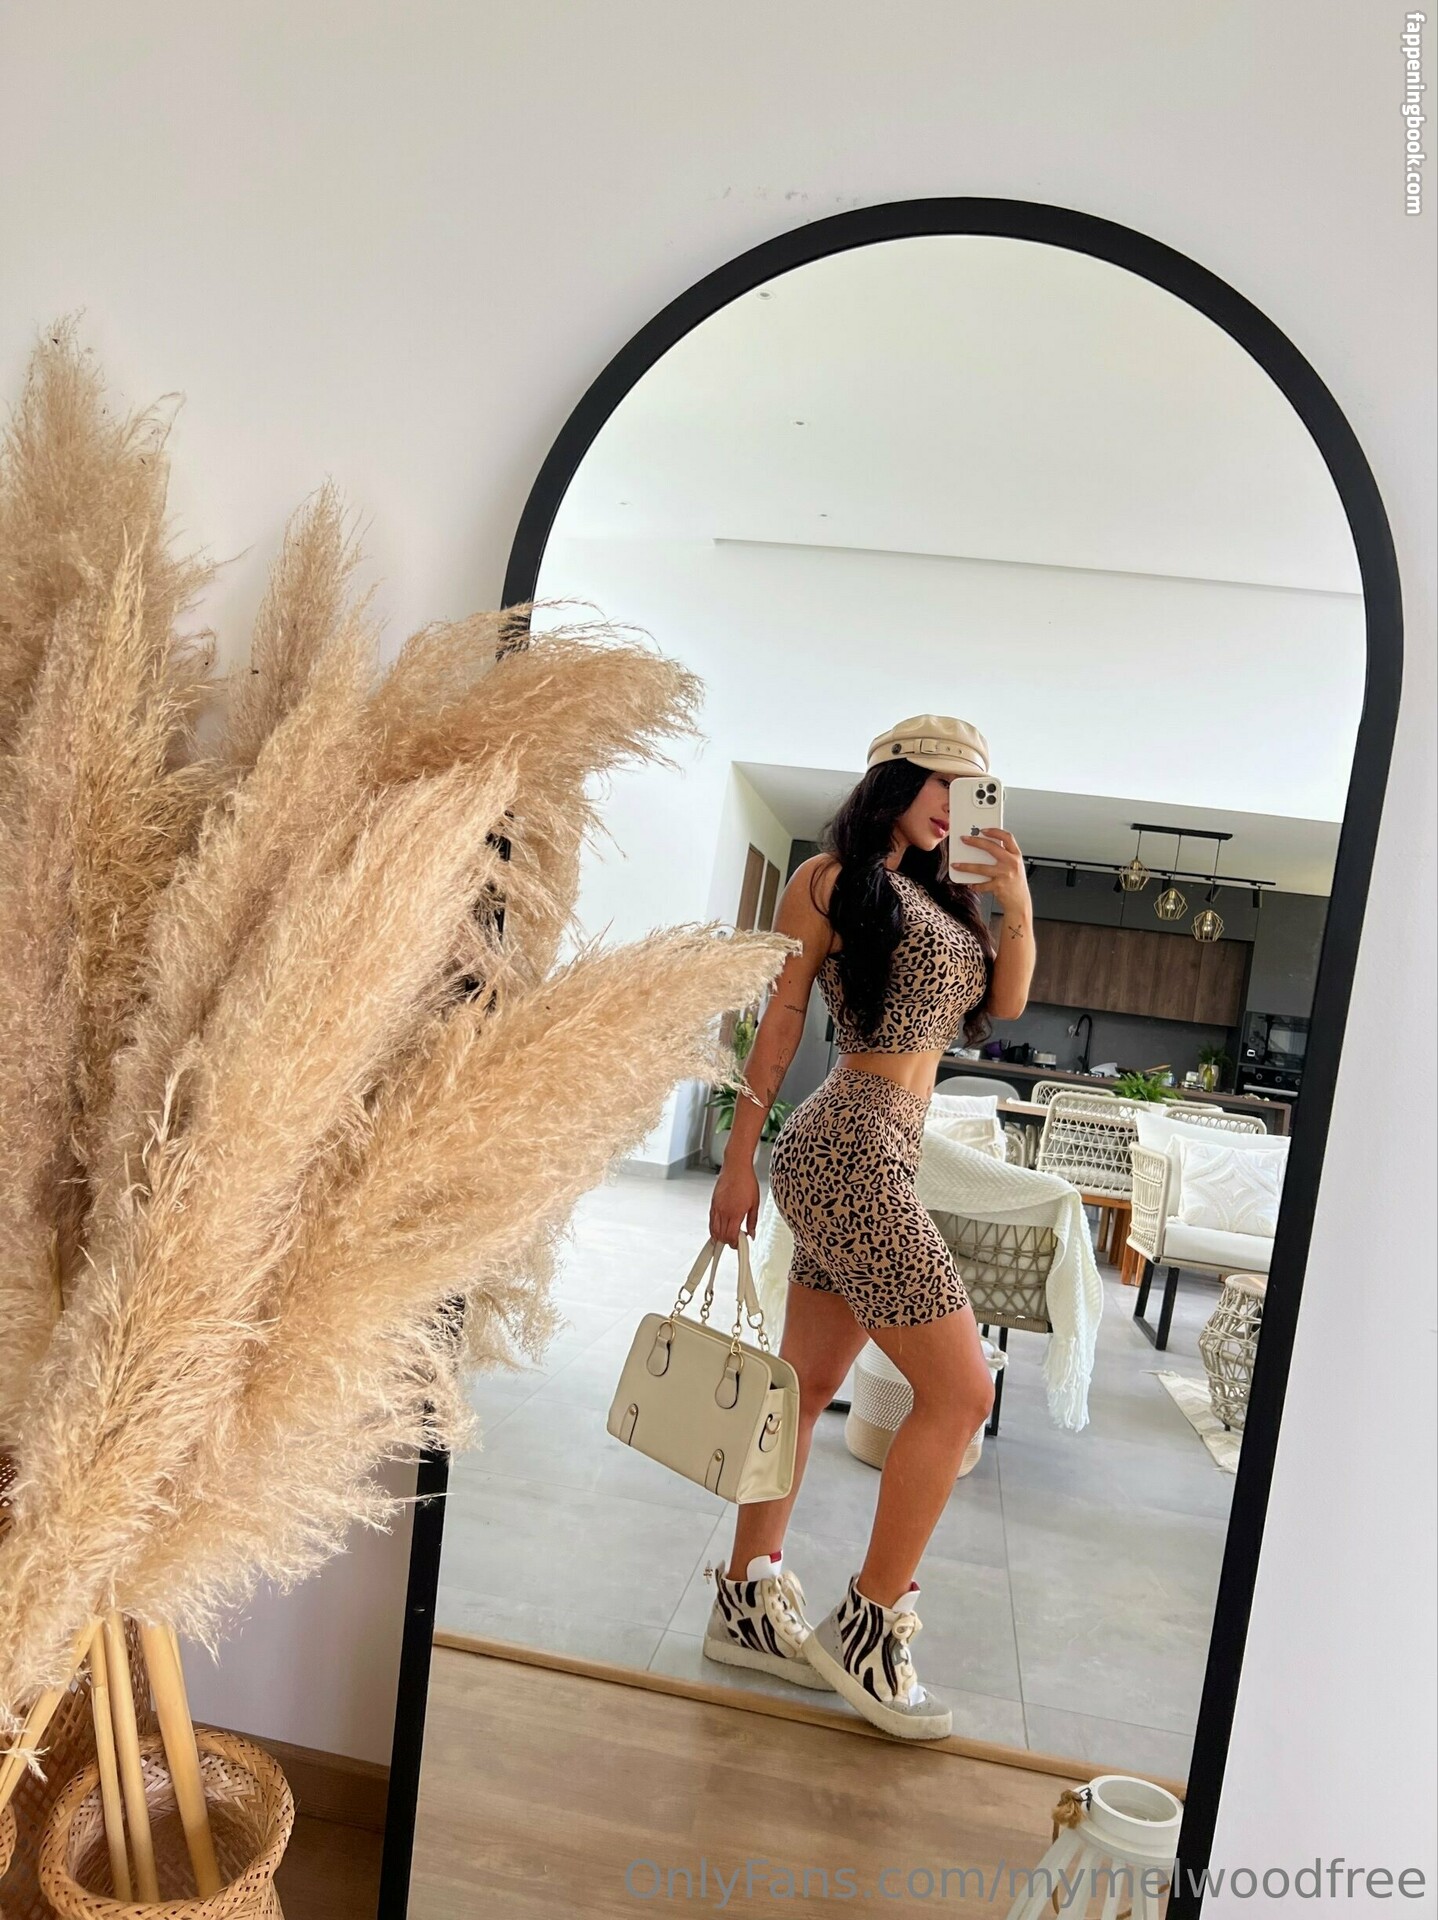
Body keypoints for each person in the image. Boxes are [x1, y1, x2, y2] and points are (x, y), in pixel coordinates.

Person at [703, 714, 1035, 1740]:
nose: (953, 806)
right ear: (894, 779)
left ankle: (744, 1600)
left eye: (970, 791)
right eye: (941, 783)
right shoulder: (830, 878)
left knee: (804, 1387)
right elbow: (783, 1017)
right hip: (846, 1142)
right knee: (963, 1392)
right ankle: (871, 1627)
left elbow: (1008, 1002)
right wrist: (737, 1156)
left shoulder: (945, 900)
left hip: (886, 1150)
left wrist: (1015, 902)